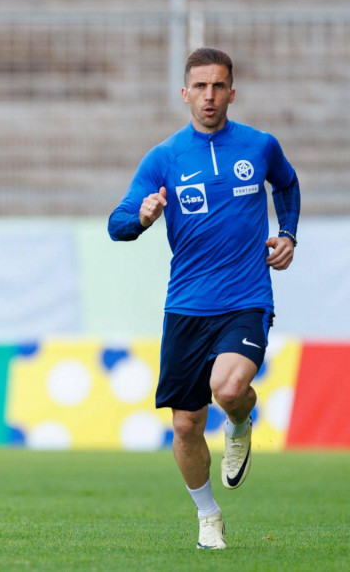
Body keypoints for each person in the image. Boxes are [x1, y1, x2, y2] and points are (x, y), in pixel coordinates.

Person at [108, 47, 299, 550]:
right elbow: (117, 224)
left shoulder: (259, 146)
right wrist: (142, 217)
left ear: (232, 92)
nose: (209, 96)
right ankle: (208, 515)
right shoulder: (165, 158)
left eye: (219, 87)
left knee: (229, 388)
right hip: (186, 306)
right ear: (185, 93)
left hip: (245, 296)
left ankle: (239, 422)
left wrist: (290, 234)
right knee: (187, 423)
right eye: (200, 87)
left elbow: (288, 184)